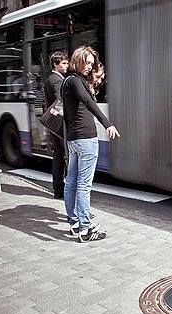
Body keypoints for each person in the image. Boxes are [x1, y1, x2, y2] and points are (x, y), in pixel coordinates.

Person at [62, 46, 120, 242]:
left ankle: (75, 223)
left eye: (91, 63)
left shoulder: (67, 81)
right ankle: (85, 230)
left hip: (74, 138)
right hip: (85, 139)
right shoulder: (76, 81)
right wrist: (107, 123)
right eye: (86, 62)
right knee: (83, 185)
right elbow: (88, 101)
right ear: (76, 60)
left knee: (71, 182)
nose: (89, 66)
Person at [44, 51, 69, 199]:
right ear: (55, 64)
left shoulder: (50, 79)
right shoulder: (57, 80)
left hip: (53, 124)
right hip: (60, 123)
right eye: (63, 63)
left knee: (59, 155)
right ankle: (64, 190)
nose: (66, 66)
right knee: (65, 156)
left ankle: (58, 190)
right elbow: (62, 101)